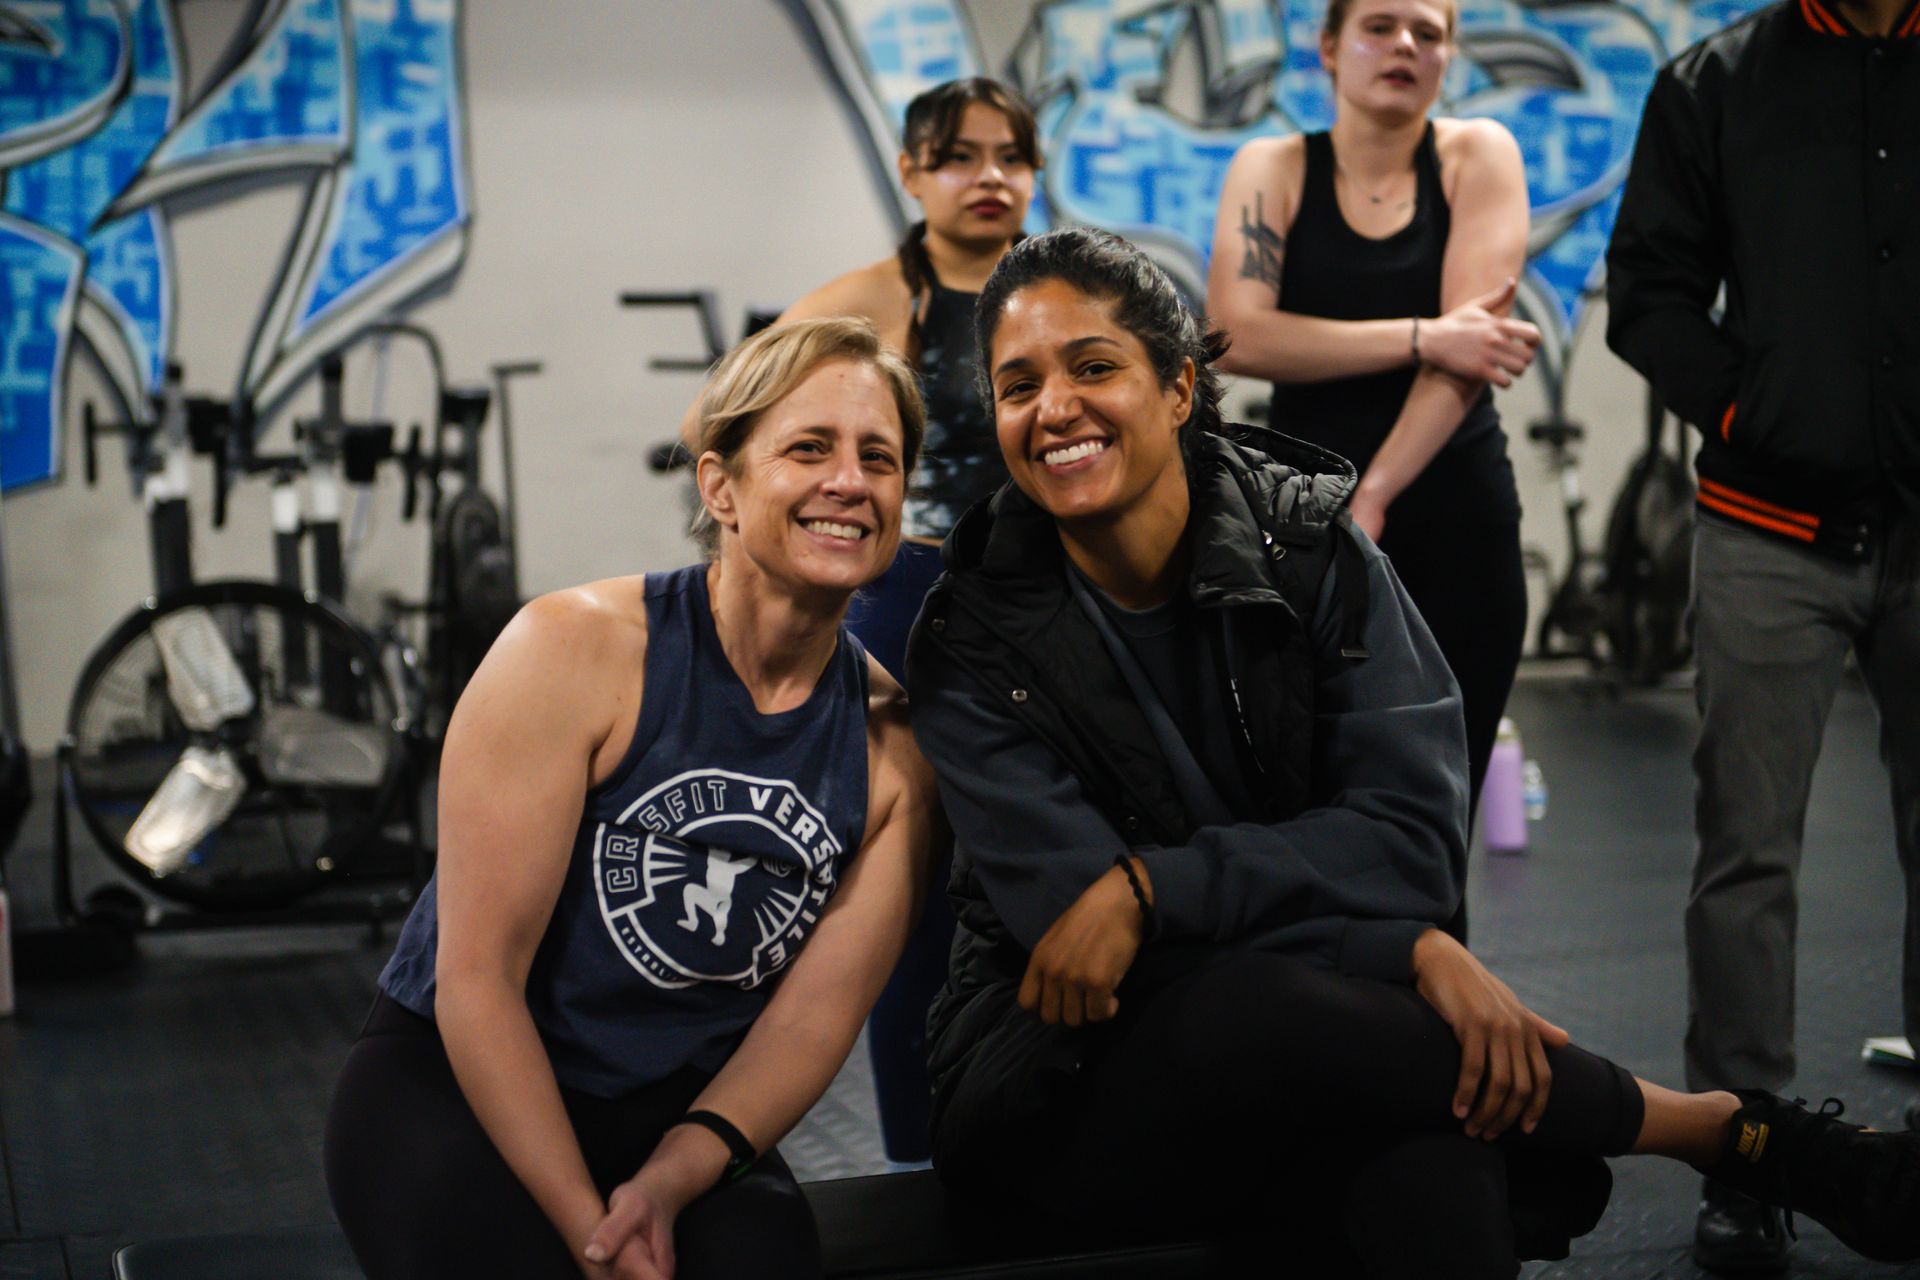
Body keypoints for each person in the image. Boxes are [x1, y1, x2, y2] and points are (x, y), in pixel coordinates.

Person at [906, 225, 1920, 1277]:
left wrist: (1154, 886)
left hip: (1334, 1052)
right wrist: (1415, 952)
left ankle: (1678, 1137)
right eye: (1017, 385)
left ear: (1177, 388)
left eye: (1094, 366)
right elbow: (1093, 939)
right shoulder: (973, 635)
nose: (1054, 408)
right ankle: (1708, 1128)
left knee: (1438, 1171)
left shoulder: (1312, 546)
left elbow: (1406, 843)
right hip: (1063, 1086)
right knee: (1250, 1010)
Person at [325, 317, 935, 1280]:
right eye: (808, 448)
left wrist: (666, 1185)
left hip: (682, 1119)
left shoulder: (894, 750)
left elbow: (808, 1025)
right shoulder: (570, 651)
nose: (850, 482)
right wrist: (589, 1230)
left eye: (880, 458)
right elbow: (477, 982)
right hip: (456, 1084)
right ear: (721, 486)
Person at [677, 76, 1043, 1165]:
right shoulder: (881, 298)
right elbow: (712, 416)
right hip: (918, 605)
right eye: (959, 156)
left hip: (1049, 606)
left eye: (1011, 155)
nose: (989, 176)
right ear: (912, 173)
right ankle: (922, 1153)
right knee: (916, 888)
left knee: (1047, 870)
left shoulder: (1055, 291)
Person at [1605, 0, 1920, 1267]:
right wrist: (1753, 408)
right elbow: (1649, 289)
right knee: (1747, 855)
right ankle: (1749, 1154)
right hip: (1764, 535)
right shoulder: (1711, 84)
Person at [1206, 0, 1540, 843]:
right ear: (1328, 48)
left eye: (1429, 33)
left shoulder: (1478, 154)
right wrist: (1427, 332)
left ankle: (1435, 969)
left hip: (1453, 509)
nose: (1405, 46)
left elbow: (1473, 359)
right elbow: (1238, 333)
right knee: (1316, 800)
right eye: (1381, 25)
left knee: (1440, 811)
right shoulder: (1272, 166)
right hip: (1301, 523)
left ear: (1448, 56)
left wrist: (1377, 491)